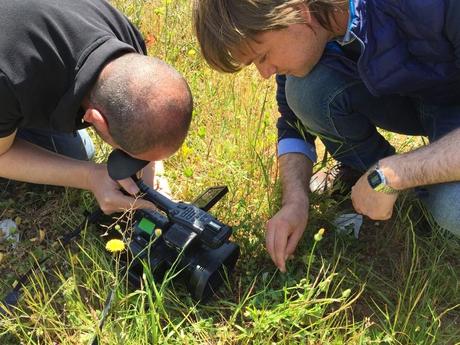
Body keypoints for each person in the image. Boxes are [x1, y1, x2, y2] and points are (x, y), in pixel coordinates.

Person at [192, 0, 460, 272]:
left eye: (262, 56)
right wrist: (295, 201)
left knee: (454, 208)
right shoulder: (316, 29)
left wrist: (395, 173)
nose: (264, 73)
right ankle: (382, 187)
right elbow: (292, 124)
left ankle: (394, 184)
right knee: (305, 92)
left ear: (298, 12)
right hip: (419, 96)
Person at [0, 0, 193, 215]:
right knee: (71, 155)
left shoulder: (128, 43)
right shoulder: (10, 78)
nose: (142, 163)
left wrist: (153, 177)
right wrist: (89, 176)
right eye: (132, 155)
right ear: (96, 120)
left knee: (70, 153)